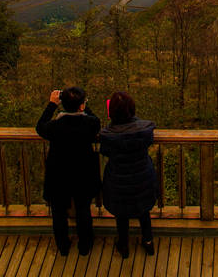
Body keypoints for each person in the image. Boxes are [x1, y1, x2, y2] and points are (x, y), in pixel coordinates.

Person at [36, 86, 101, 256]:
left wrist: (52, 105)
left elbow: (40, 127)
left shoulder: (55, 126)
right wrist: (84, 105)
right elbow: (96, 120)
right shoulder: (90, 124)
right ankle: (85, 246)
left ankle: (63, 246)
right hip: (82, 174)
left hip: (59, 174)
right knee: (83, 210)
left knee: (58, 212)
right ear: (81, 106)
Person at [99, 91, 157, 258]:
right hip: (142, 179)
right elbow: (143, 133)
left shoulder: (108, 136)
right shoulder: (144, 131)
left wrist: (112, 123)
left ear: (112, 114)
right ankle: (148, 242)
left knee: (121, 215)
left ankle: (123, 246)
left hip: (118, 181)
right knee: (143, 211)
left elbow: (105, 151)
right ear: (132, 111)